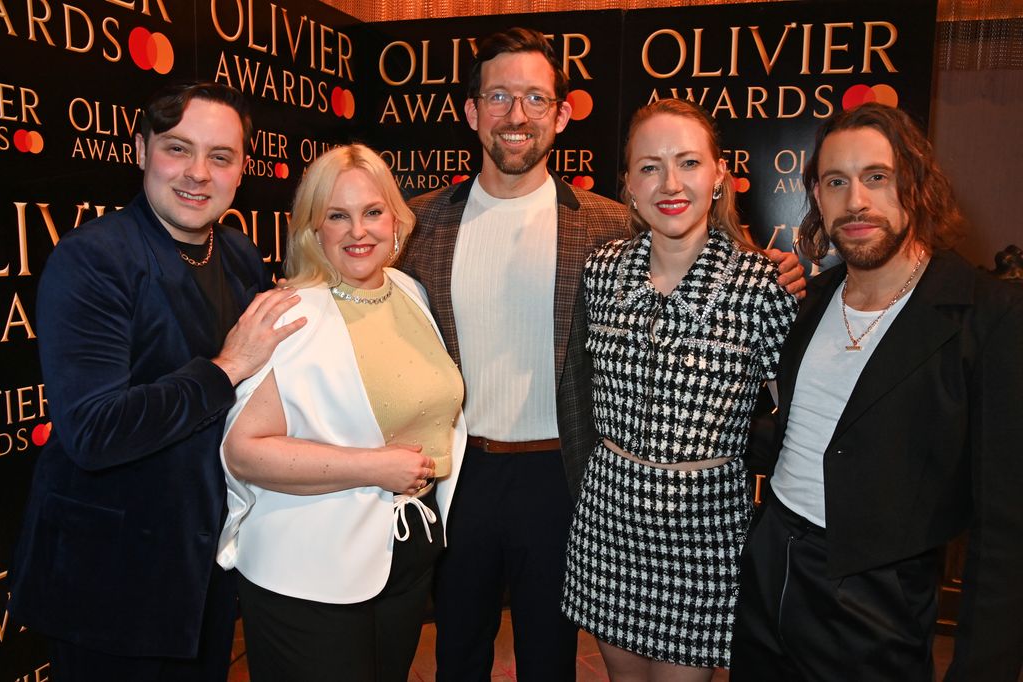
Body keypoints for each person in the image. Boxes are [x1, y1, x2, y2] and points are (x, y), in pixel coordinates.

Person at [401, 27, 806, 680]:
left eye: (536, 97)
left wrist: (776, 273)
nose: (516, 114)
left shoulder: (609, 224)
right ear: (471, 111)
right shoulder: (415, 225)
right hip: (456, 477)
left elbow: (697, 252)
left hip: (564, 478)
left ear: (561, 115)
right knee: (458, 654)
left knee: (550, 661)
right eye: (498, 96)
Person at [9, 82, 304, 680]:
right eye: (177, 149)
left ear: (241, 169)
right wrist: (226, 368)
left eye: (220, 157)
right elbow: (95, 431)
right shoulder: (94, 259)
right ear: (142, 150)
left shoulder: (241, 256)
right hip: (109, 581)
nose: (198, 173)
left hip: (204, 569)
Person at [730, 103, 1023, 682]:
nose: (856, 201)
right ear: (815, 195)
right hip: (768, 573)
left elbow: (1006, 526)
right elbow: (804, 434)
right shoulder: (811, 301)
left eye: (877, 177)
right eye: (835, 181)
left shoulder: (988, 315)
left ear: (915, 185)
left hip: (875, 602)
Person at [561, 98, 798, 681]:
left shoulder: (761, 284)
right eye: (649, 166)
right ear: (629, 187)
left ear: (720, 175)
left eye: (688, 162)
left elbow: (795, 418)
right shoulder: (602, 271)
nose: (670, 183)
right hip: (609, 517)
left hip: (703, 530)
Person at [216, 144, 466, 682]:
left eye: (373, 212)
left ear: (396, 220)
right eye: (337, 215)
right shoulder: (291, 313)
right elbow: (244, 451)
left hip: (402, 556)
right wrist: (374, 467)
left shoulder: (408, 290)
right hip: (308, 572)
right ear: (313, 229)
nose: (359, 231)